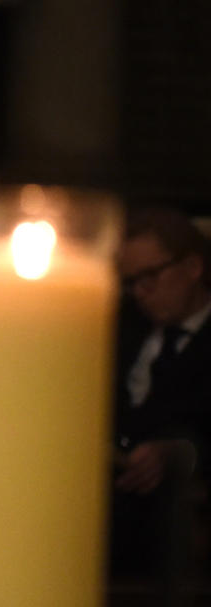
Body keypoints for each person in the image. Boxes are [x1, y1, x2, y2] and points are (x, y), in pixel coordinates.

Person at [110, 207, 211, 578]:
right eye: (131, 281)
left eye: (150, 277)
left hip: (171, 517)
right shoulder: (121, 325)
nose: (140, 292)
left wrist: (178, 452)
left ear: (192, 268)